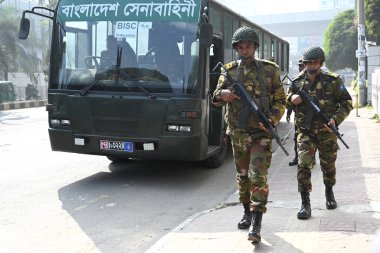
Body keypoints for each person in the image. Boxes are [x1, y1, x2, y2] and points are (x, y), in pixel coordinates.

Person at [212, 27, 286, 243]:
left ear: (255, 47)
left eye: (249, 46)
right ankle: (246, 210)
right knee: (243, 176)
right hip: (238, 133)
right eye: (241, 47)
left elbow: (281, 99)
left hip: (261, 134)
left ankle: (256, 222)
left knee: (258, 176)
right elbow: (215, 98)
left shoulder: (270, 70)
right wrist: (222, 94)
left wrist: (271, 119)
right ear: (236, 49)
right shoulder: (228, 71)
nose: (245, 50)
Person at [287, 46, 353, 220]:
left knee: (328, 166)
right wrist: (292, 99)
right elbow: (285, 101)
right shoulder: (297, 81)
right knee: (303, 165)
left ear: (321, 63)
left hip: (326, 132)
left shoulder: (333, 80)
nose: (311, 65)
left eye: (315, 62)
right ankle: (305, 203)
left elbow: (347, 103)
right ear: (304, 63)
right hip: (305, 132)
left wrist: (335, 120)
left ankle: (329, 191)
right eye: (308, 62)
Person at [287, 59, 305, 166]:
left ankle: (310, 157)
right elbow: (289, 99)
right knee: (297, 137)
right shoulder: (296, 81)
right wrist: (288, 113)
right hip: (299, 115)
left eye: (302, 66)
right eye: (299, 66)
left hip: (313, 115)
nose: (300, 68)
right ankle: (297, 157)